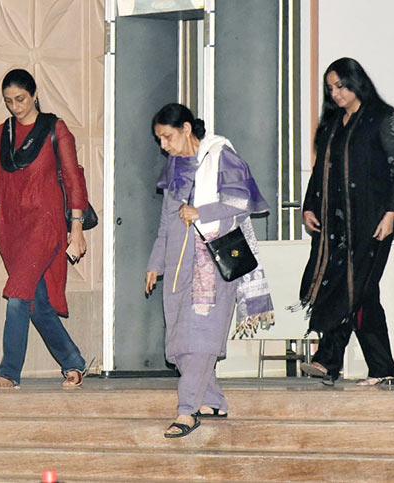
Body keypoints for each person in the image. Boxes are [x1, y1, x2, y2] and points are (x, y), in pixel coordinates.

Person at [146, 103, 273, 438]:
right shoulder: (175, 167)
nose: (164, 146)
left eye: (168, 137)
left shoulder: (222, 155)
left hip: (211, 264)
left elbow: (239, 204)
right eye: (160, 139)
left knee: (199, 340)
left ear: (187, 129)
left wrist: (199, 211)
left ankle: (187, 411)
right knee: (180, 339)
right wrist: (155, 264)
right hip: (177, 265)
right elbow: (165, 224)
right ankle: (213, 400)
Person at [0, 69, 90, 389]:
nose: (15, 107)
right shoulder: (2, 133)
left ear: (34, 95)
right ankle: (73, 362)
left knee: (18, 296)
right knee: (37, 304)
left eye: (20, 99)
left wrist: (76, 230)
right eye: (8, 101)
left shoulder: (55, 129)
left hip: (46, 224)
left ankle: (8, 372)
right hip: (12, 229)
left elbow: (74, 179)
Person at [298, 58, 394, 386]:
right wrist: (309, 206)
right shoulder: (333, 124)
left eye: (342, 86)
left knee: (355, 288)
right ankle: (380, 369)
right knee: (359, 292)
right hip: (336, 226)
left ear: (356, 82)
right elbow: (321, 171)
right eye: (331, 88)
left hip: (373, 222)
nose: (336, 94)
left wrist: (391, 213)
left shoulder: (384, 119)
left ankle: (328, 359)